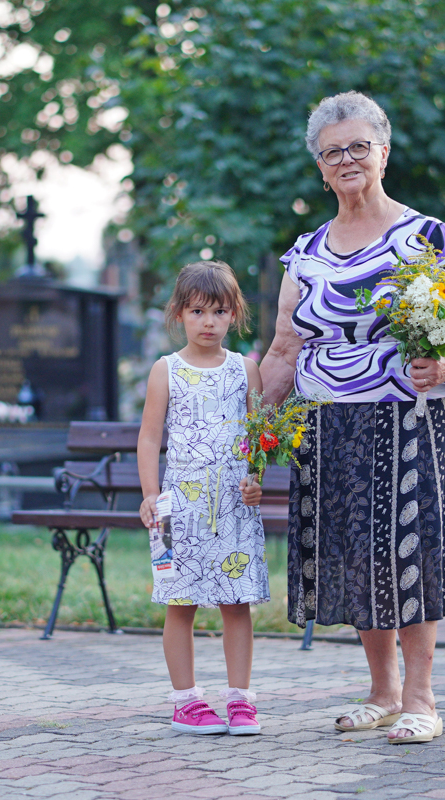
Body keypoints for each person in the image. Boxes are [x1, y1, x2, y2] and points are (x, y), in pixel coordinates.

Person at [259, 92, 445, 744]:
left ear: (384, 153)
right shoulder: (305, 253)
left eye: (358, 146)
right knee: (355, 557)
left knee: (412, 552)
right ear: (320, 167)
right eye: (332, 151)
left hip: (410, 420)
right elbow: (284, 350)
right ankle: (383, 692)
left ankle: (422, 698)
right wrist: (254, 433)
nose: (346, 159)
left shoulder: (425, 236)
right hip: (329, 426)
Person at [137, 260, 269, 736]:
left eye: (219, 311)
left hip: (234, 508)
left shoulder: (246, 370)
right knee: (180, 603)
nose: (208, 322)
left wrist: (256, 479)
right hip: (177, 511)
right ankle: (186, 702)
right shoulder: (165, 370)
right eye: (197, 311)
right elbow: (150, 437)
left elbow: (257, 439)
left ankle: (240, 701)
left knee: (237, 603)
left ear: (234, 314)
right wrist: (150, 494)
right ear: (179, 313)